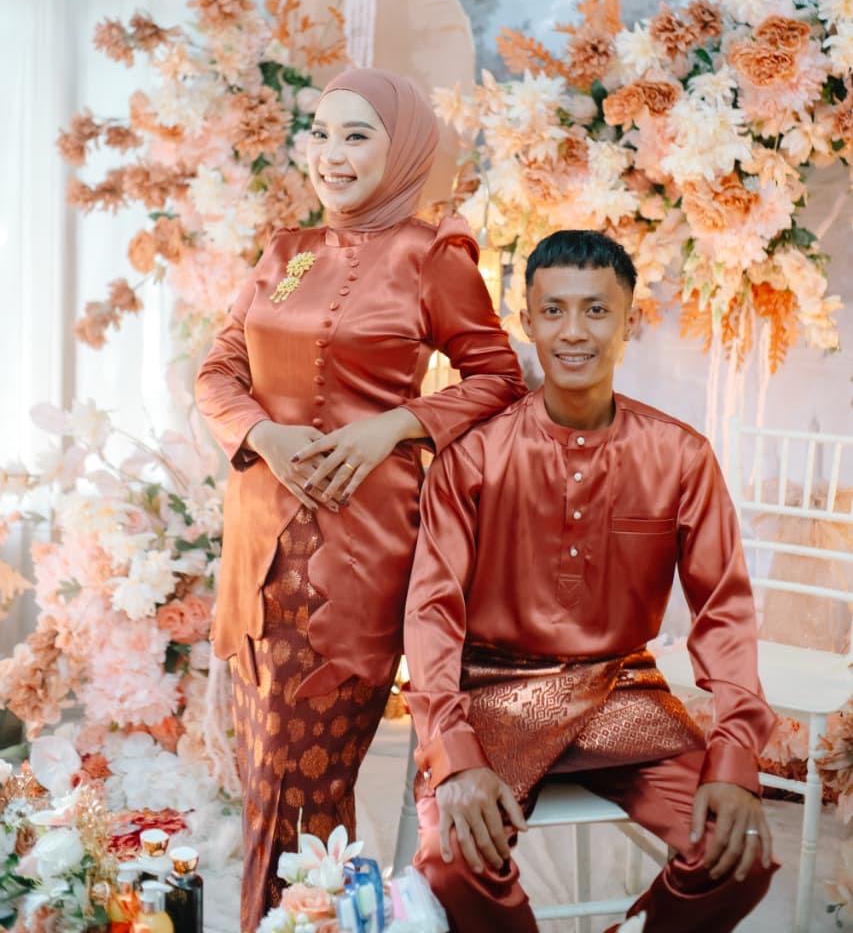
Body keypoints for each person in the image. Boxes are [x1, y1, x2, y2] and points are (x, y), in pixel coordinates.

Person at [195, 68, 525, 931]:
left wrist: (395, 427)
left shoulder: (432, 254)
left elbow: (497, 376)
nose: (330, 155)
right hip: (256, 551)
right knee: (268, 787)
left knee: (303, 791)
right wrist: (263, 435)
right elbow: (218, 369)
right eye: (320, 133)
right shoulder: (286, 250)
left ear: (401, 148)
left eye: (356, 135)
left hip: (352, 555)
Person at [405, 229, 779, 933]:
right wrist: (452, 755)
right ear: (527, 321)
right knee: (454, 862)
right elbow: (431, 612)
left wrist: (733, 756)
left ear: (628, 322)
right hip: (490, 694)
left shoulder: (680, 456)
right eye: (553, 311)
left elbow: (724, 610)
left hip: (621, 691)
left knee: (740, 856)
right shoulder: (474, 456)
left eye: (596, 310)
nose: (573, 332)